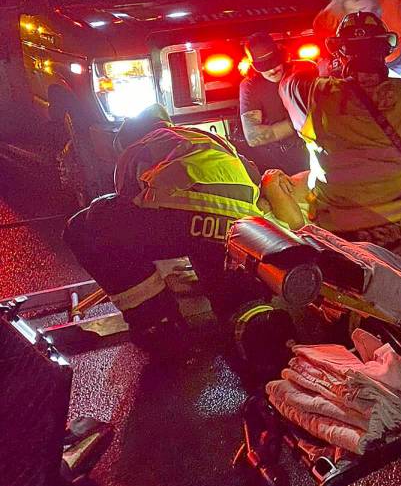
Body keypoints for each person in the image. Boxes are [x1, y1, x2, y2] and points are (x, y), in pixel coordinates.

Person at [62, 104, 265, 343]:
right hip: (240, 225)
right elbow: (253, 175)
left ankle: (157, 322)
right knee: (206, 243)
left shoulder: (136, 150)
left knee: (90, 222)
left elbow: (130, 213)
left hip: (182, 222)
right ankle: (249, 318)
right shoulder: (206, 137)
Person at [280, 12, 401, 248]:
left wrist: (320, 68)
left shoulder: (314, 95)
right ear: (385, 49)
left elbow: (290, 80)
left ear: (340, 53)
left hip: (342, 234)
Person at [239, 33, 309, 175]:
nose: (272, 70)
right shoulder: (250, 86)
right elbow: (252, 136)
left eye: (274, 62)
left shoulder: (305, 69)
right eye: (264, 66)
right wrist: (301, 122)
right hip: (284, 159)